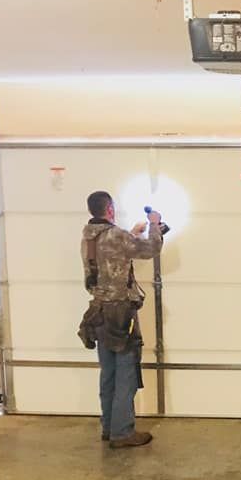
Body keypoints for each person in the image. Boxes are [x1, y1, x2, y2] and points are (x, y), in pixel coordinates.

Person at [78, 191, 164, 448]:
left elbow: (110, 256)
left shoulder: (88, 237)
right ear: (110, 209)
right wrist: (154, 224)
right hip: (121, 314)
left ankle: (109, 427)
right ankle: (123, 432)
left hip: (99, 312)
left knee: (109, 372)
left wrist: (132, 233)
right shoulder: (116, 236)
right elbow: (151, 249)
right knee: (126, 373)